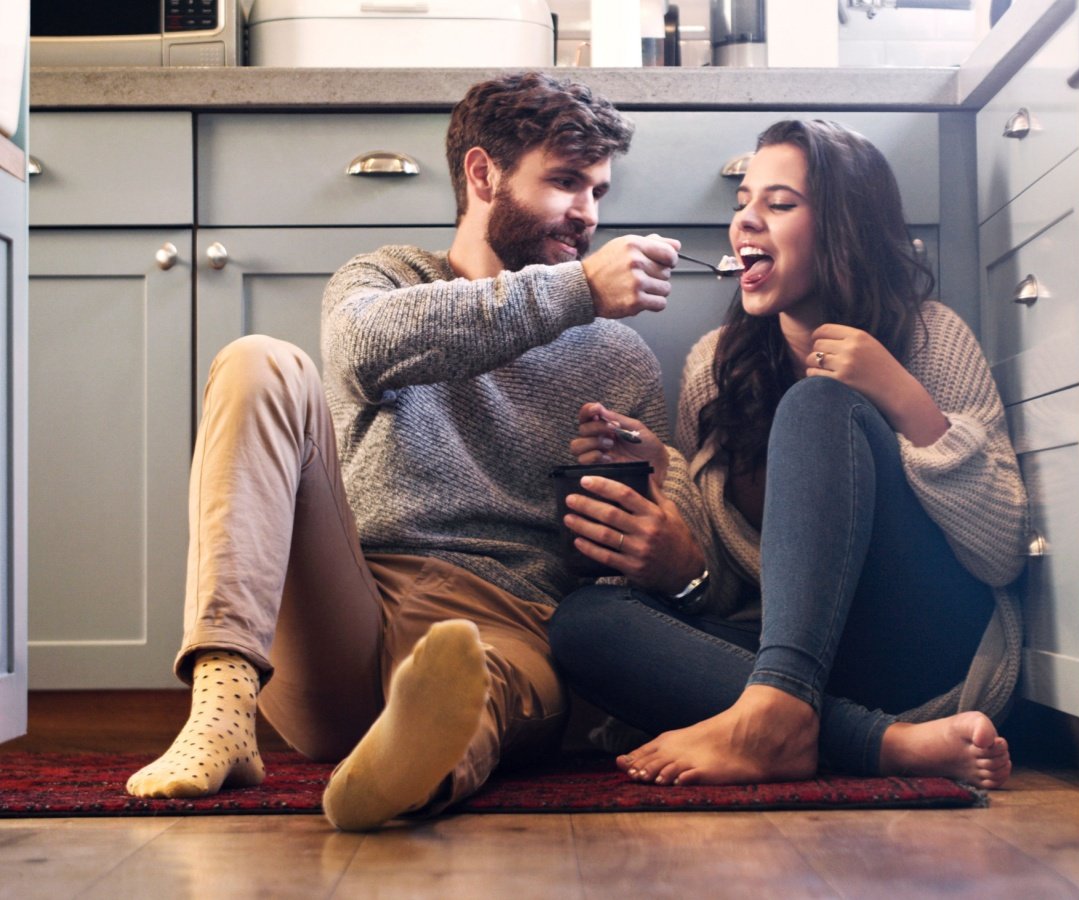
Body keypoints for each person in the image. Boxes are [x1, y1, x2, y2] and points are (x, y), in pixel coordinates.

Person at [124, 72, 702, 831]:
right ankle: (221, 709)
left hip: (511, 624)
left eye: (597, 189)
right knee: (258, 359)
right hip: (351, 611)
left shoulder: (618, 358)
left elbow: (655, 553)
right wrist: (577, 292)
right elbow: (360, 349)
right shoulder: (385, 281)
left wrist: (657, 526)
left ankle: (406, 773)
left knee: (476, 681)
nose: (587, 215)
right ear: (483, 174)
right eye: (565, 183)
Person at [549, 119, 1028, 789]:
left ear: (844, 227)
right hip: (815, 666)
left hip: (926, 645)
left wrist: (903, 398)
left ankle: (785, 713)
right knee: (585, 624)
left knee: (817, 404)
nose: (746, 222)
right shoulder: (714, 368)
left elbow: (1002, 550)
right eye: (743, 202)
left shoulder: (930, 336)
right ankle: (878, 743)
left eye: (779, 204)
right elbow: (724, 591)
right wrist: (667, 483)